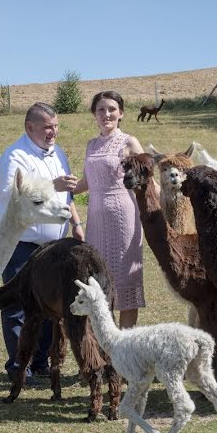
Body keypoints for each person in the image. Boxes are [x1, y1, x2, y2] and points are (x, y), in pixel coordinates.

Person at [0, 102, 84, 385]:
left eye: (55, 126)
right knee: (19, 304)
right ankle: (20, 365)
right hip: (21, 241)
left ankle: (41, 362)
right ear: (29, 127)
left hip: (52, 244)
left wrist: (76, 223)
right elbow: (11, 195)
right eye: (46, 127)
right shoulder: (15, 156)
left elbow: (67, 196)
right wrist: (50, 185)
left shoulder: (60, 154)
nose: (52, 132)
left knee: (50, 304)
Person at [73, 91, 145, 328]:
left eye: (112, 109)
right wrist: (56, 188)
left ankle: (125, 348)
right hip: (95, 221)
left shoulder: (129, 142)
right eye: (101, 110)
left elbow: (148, 182)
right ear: (94, 114)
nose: (107, 114)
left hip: (124, 219)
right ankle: (105, 349)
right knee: (99, 285)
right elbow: (86, 183)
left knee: (125, 283)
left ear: (121, 113)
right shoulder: (91, 145)